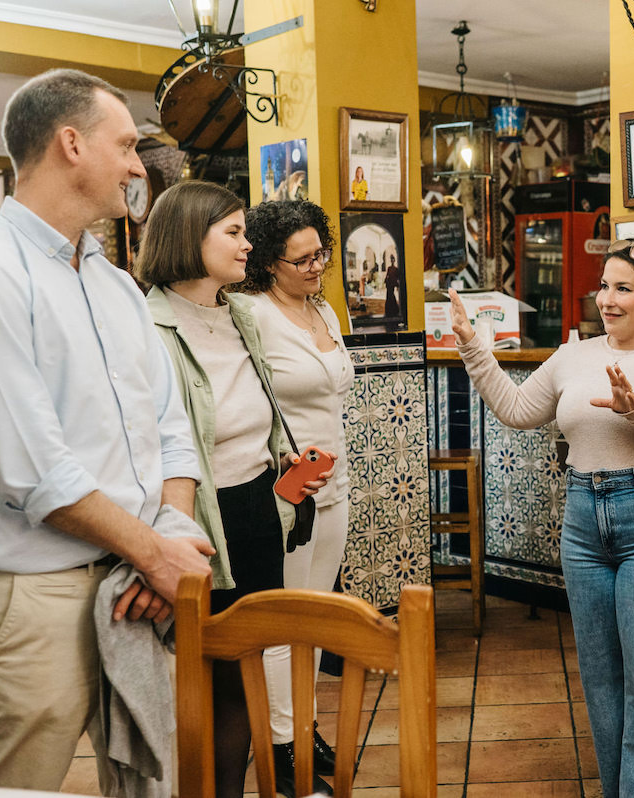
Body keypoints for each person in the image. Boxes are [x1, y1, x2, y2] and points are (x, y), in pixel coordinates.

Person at [0, 69, 214, 790]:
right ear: (71, 143)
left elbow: (172, 430)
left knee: (151, 781)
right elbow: (34, 471)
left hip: (136, 581)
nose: (140, 166)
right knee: (20, 786)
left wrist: (166, 540)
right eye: (126, 145)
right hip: (39, 598)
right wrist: (156, 553)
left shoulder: (117, 285)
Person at [448, 238, 634, 797]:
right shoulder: (576, 354)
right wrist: (472, 345)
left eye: (624, 289)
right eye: (604, 286)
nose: (607, 300)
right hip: (581, 522)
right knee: (600, 678)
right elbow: (519, 410)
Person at [135, 181, 333, 798]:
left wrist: (285, 461)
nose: (249, 245)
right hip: (193, 519)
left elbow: (256, 413)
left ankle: (237, 786)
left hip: (255, 508)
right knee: (205, 677)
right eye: (234, 232)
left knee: (246, 667)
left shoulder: (243, 314)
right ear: (189, 237)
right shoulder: (148, 325)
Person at [241, 200, 353, 780]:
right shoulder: (251, 314)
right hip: (288, 491)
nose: (316, 267)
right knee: (285, 619)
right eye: (302, 259)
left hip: (335, 487)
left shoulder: (326, 312)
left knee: (314, 617)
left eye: (321, 255)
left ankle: (303, 725)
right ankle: (281, 745)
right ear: (267, 263)